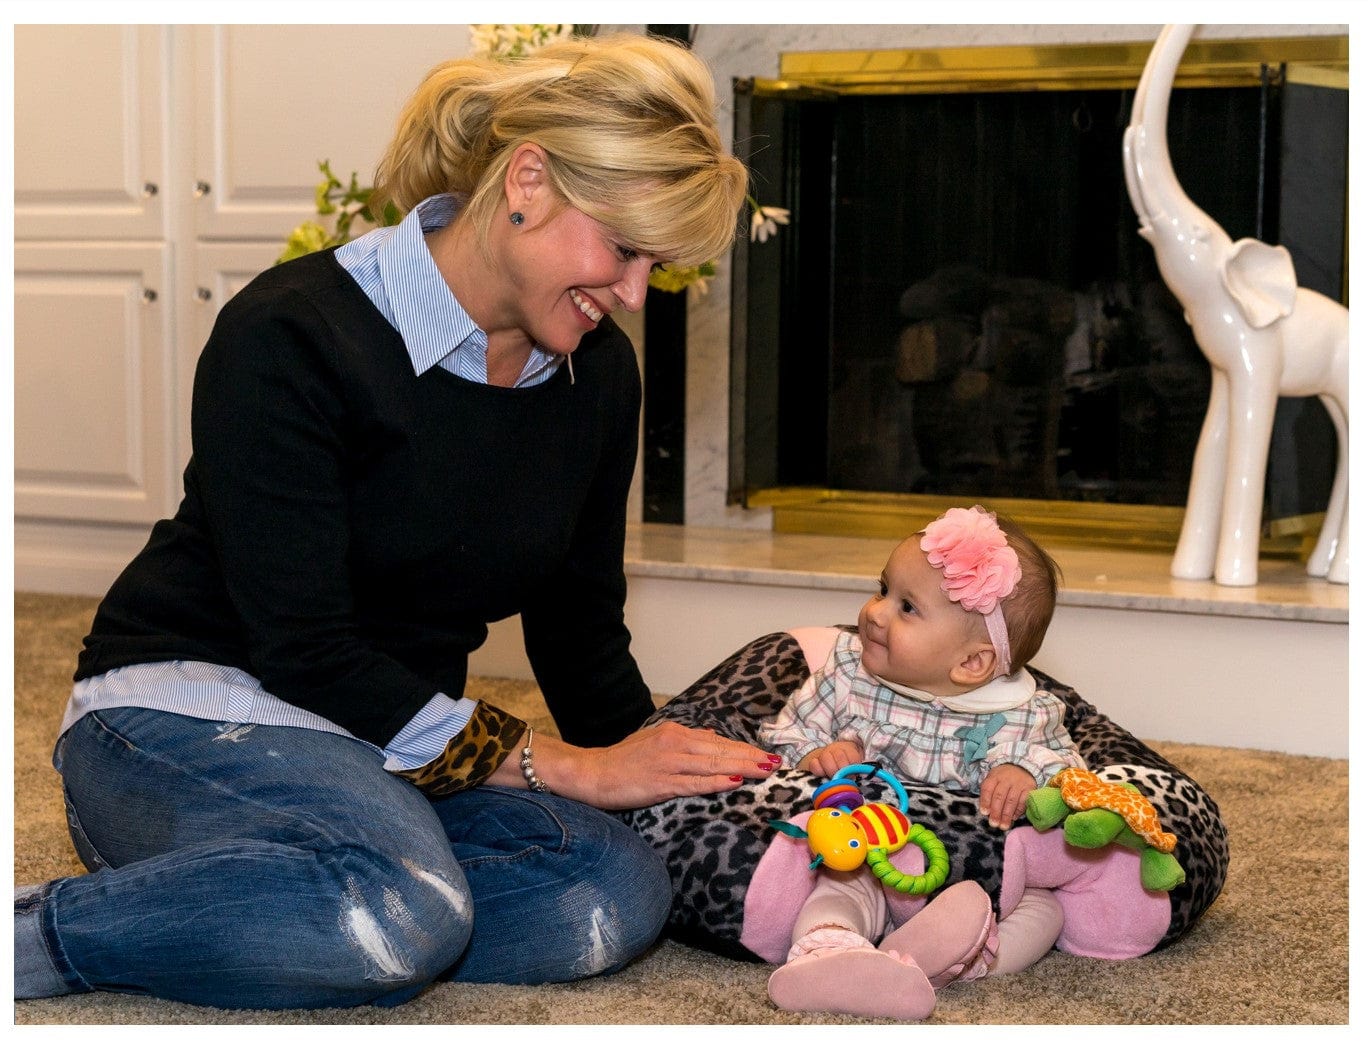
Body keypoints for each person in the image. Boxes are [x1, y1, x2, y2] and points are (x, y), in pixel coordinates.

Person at [14, 33, 782, 1010]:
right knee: (410, 908)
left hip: (387, 749)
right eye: (625, 250)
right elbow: (303, 647)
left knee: (612, 891)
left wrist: (659, 768)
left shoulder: (599, 376)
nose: (633, 293)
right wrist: (558, 764)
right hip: (184, 711)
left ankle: (305, 893)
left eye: (656, 267)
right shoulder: (295, 331)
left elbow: (578, 626)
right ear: (530, 181)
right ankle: (41, 935)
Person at [758, 505, 1087, 1021]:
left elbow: (1074, 777)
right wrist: (818, 755)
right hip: (871, 851)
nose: (874, 612)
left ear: (973, 663)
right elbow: (780, 737)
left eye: (906, 607)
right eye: (883, 588)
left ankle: (959, 959)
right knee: (840, 882)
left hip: (970, 881)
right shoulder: (848, 677)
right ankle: (828, 950)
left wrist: (1025, 775)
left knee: (1045, 908)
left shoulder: (1020, 712)